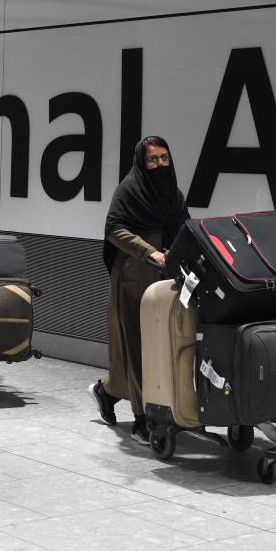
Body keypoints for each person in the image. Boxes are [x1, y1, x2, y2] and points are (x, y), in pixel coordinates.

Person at [88, 136, 190, 445]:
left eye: (164, 157)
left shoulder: (173, 194)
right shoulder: (129, 190)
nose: (159, 164)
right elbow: (115, 229)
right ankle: (143, 420)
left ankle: (106, 392)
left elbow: (185, 228)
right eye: (152, 159)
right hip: (135, 275)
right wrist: (151, 252)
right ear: (141, 163)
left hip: (166, 280)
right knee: (137, 347)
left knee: (163, 346)